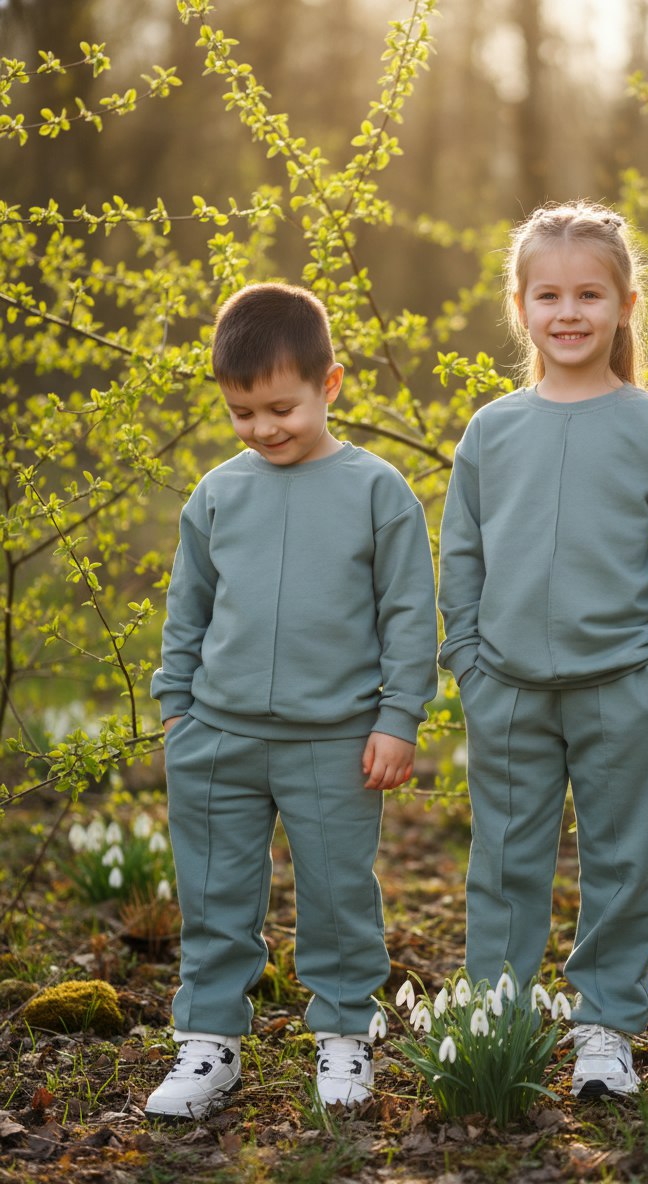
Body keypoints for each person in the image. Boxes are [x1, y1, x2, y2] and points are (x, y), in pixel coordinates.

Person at [438, 201, 648, 1098]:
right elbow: (462, 558)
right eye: (549, 294)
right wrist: (472, 669)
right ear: (519, 306)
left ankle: (604, 1027)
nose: (569, 312)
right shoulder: (492, 430)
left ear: (625, 304)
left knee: (622, 866)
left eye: (589, 294)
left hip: (623, 693)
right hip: (509, 693)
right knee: (505, 867)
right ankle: (504, 1020)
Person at [145, 282, 438, 1119]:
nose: (263, 428)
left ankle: (344, 1037)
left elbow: (411, 617)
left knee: (340, 895)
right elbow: (187, 610)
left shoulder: (378, 493)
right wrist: (178, 711)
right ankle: (208, 1045)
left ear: (330, 385)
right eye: (242, 413)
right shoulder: (217, 495)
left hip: (335, 742)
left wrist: (397, 718)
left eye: (281, 407)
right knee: (213, 896)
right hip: (217, 739)